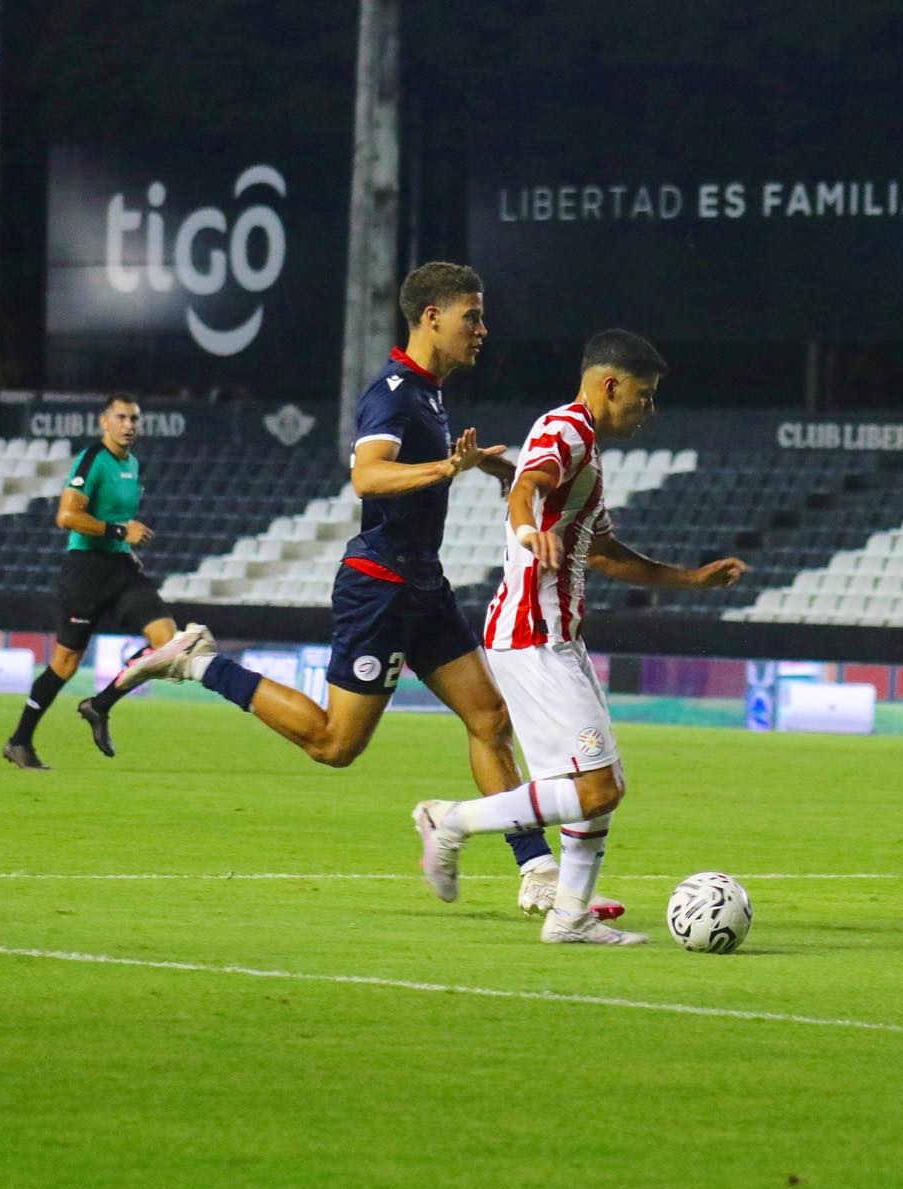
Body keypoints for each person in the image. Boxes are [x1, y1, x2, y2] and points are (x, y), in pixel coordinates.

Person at [115, 262, 605, 916]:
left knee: (489, 719)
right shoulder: (393, 393)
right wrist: (446, 467)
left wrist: (484, 468)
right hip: (379, 587)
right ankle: (200, 662)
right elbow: (368, 478)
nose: (482, 330)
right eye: (472, 317)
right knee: (334, 744)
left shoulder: (428, 393)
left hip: (421, 582)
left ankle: (535, 869)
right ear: (431, 316)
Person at [409, 328, 747, 945]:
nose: (650, 408)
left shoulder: (584, 449)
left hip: (557, 637)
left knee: (597, 787)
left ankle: (569, 917)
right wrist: (526, 531)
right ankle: (450, 820)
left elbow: (607, 554)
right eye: (644, 395)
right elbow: (527, 489)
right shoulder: (566, 430)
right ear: (610, 385)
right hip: (532, 635)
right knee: (598, 787)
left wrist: (690, 579)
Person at [2, 393, 178, 769]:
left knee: (167, 641)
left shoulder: (132, 464)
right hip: (85, 572)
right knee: (65, 663)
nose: (128, 425)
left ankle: (100, 705)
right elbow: (66, 516)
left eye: (134, 419)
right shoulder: (92, 459)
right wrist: (120, 531)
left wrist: (123, 546)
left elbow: (114, 521)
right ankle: (19, 741)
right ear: (104, 422)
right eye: (121, 417)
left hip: (120, 569)